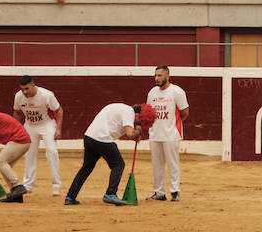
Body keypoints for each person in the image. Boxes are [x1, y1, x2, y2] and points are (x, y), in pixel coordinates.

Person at [64, 103, 156, 206]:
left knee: (86, 168)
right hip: (102, 138)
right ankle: (110, 193)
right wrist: (138, 131)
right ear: (138, 115)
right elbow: (130, 133)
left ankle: (70, 196)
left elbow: (121, 129)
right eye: (139, 121)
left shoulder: (122, 108)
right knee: (118, 164)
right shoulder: (129, 112)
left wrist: (135, 133)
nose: (137, 123)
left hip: (89, 137)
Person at [13, 75, 63, 195]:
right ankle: (28, 185)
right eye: (22, 89)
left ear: (33, 85)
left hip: (47, 124)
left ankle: (56, 186)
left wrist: (59, 129)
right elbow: (17, 112)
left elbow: (59, 110)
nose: (24, 92)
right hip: (30, 125)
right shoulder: (18, 96)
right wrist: (17, 129)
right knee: (29, 154)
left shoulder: (46, 95)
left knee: (52, 151)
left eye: (27, 89)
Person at [145, 65, 189, 202]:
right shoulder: (152, 92)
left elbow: (185, 112)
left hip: (171, 134)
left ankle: (175, 191)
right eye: (155, 75)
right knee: (157, 165)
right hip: (155, 134)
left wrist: (172, 124)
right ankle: (159, 192)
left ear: (167, 76)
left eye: (159, 75)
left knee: (172, 164)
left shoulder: (177, 92)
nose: (156, 78)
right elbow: (148, 112)